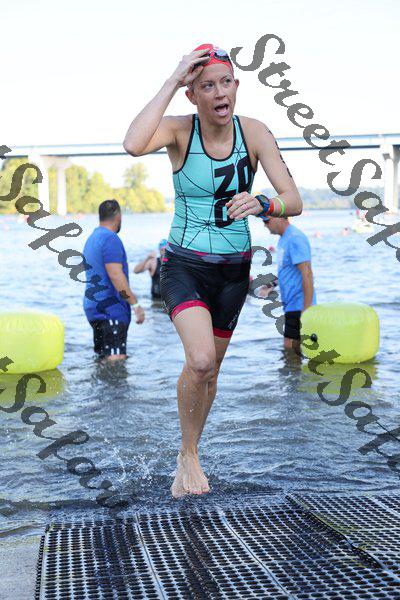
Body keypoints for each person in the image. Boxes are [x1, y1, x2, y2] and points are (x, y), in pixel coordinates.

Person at [123, 43, 302, 498]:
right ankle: (187, 454)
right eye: (207, 86)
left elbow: (293, 200)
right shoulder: (179, 131)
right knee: (199, 360)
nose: (220, 93)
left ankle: (191, 454)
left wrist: (263, 203)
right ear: (193, 94)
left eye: (226, 83)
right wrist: (172, 79)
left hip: (234, 271)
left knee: (212, 371)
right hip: (184, 265)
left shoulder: (255, 133)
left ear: (236, 86)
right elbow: (133, 144)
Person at [83, 199, 145, 362]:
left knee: (102, 360)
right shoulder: (110, 239)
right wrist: (135, 304)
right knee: (116, 361)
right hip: (110, 308)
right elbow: (116, 275)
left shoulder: (92, 239)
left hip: (93, 308)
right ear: (118, 217)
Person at [264, 216, 316, 351]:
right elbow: (286, 269)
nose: (265, 225)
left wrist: (307, 310)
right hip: (291, 305)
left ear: (279, 217)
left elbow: (307, 273)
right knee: (292, 349)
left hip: (299, 305)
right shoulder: (283, 238)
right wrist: (271, 285)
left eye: (266, 221)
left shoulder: (294, 238)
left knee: (290, 350)